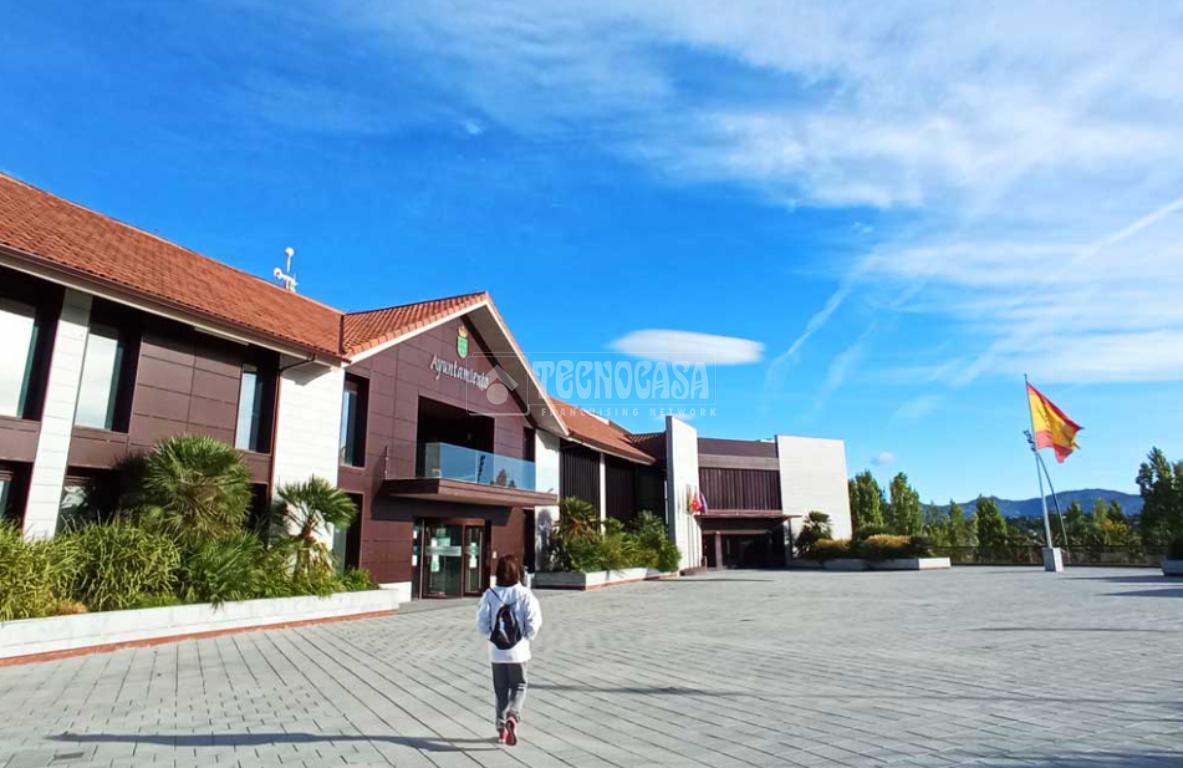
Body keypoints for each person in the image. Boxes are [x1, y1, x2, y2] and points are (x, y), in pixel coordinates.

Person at [476, 554, 542, 747]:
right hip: (518, 651)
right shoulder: (525, 594)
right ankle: (513, 715)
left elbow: (482, 623)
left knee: (501, 689)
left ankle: (501, 730)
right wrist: (527, 636)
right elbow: (533, 621)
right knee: (519, 685)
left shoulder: (490, 594)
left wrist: (491, 636)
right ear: (517, 572)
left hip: (497, 651)